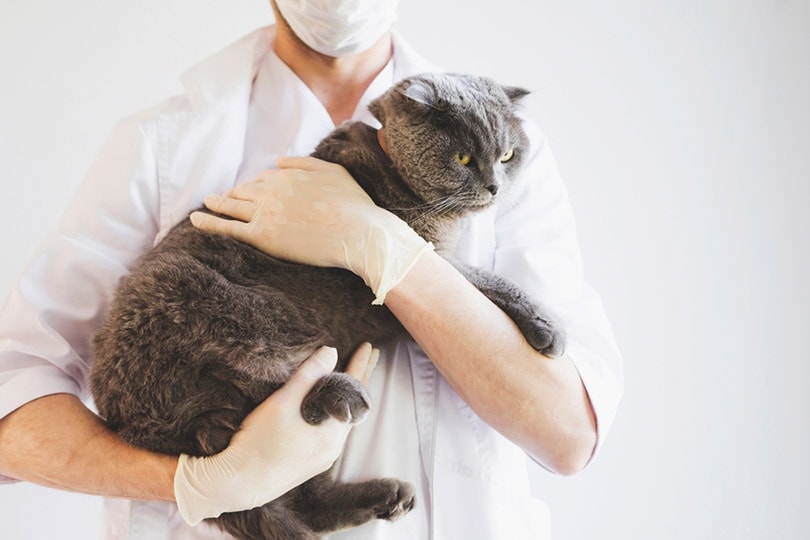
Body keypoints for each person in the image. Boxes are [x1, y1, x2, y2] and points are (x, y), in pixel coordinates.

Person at [0, 0, 623, 538]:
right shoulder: (160, 142)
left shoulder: (503, 153)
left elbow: (568, 433)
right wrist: (197, 483)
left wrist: (389, 254)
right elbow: (13, 402)